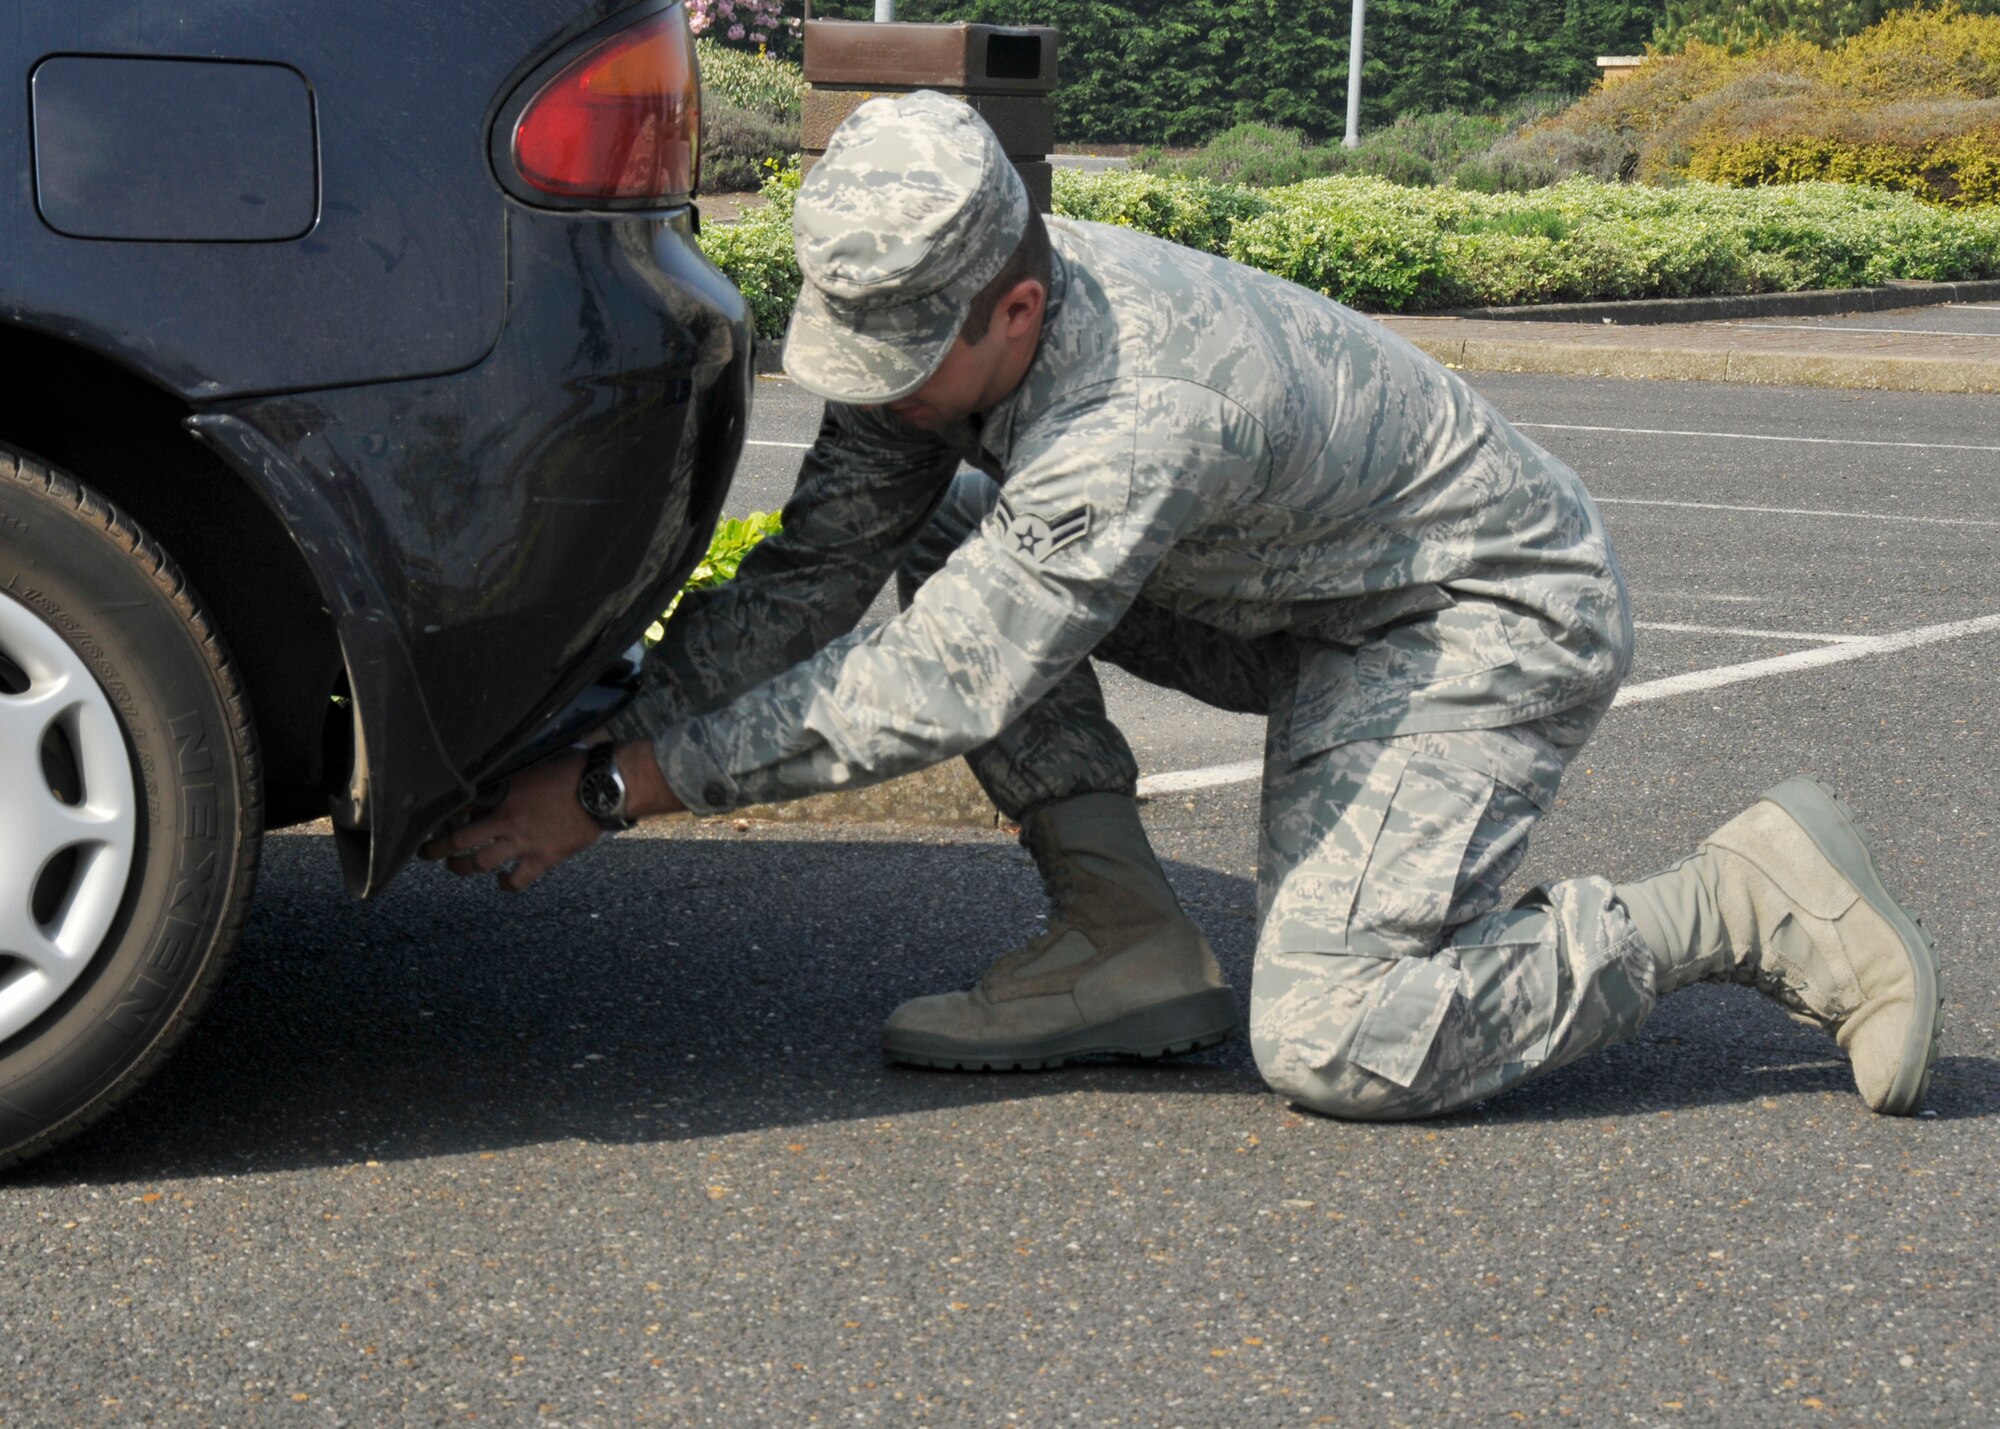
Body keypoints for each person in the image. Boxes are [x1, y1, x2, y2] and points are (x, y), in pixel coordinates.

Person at [422, 92, 1940, 1119]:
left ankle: (1732, 902)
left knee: (1339, 1033)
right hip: (1282, 594)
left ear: (1014, 307)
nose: (871, 393)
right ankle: (1126, 937)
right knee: (939, 529)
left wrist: (616, 789)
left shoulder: (1141, 413)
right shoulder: (955, 317)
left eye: (902, 361)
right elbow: (809, 576)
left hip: (1475, 616)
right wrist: (612, 730)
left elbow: (947, 684)